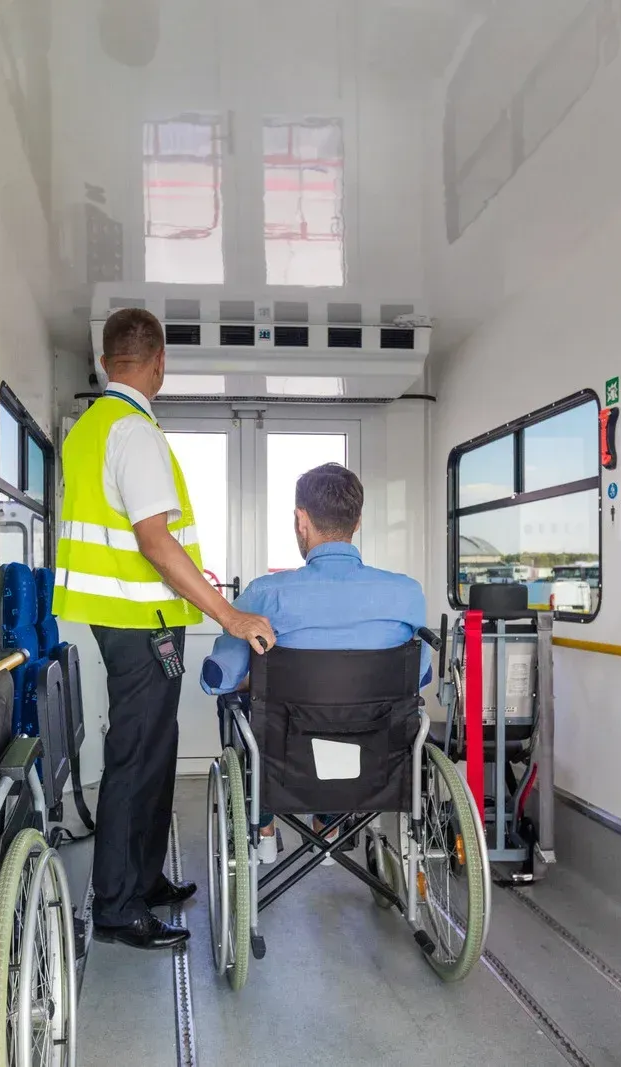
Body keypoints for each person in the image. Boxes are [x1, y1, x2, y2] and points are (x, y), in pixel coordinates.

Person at [52, 308, 276, 951]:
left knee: (150, 752)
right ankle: (118, 907)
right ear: (159, 364)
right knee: (135, 759)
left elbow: (133, 537)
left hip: (121, 617)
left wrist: (187, 584)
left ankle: (143, 879)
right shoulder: (136, 431)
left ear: (103, 360)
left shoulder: (90, 430)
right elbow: (153, 539)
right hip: (141, 621)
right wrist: (227, 614)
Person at [200, 462, 433, 866]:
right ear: (356, 522)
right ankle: (329, 823)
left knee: (248, 711)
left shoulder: (265, 594)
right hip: (375, 764)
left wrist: (244, 681)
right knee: (352, 714)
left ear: (300, 519)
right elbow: (421, 673)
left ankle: (266, 828)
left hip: (287, 765)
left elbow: (218, 678)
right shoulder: (406, 594)